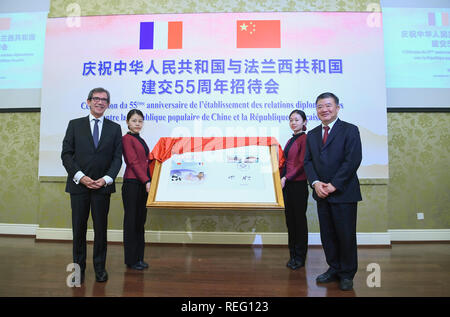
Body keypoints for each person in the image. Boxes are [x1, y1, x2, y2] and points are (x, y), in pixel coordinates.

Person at [61, 87, 122, 283]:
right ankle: (77, 271)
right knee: (78, 230)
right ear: (88, 102)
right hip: (79, 186)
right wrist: (80, 176)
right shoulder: (75, 125)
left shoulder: (115, 128)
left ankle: (99, 269)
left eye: (104, 100)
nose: (100, 102)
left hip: (102, 187)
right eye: (96, 99)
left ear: (108, 105)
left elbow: (117, 159)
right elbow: (66, 154)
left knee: (101, 230)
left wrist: (106, 179)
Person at [304, 92, 362, 291]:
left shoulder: (350, 130)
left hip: (343, 192)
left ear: (337, 108)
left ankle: (347, 273)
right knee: (327, 234)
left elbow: (352, 160)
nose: (324, 109)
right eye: (320, 106)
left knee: (345, 234)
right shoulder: (311, 134)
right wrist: (316, 183)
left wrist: (334, 184)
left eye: (328, 105)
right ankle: (334, 268)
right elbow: (308, 162)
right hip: (321, 193)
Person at [121, 109, 151, 270]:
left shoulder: (140, 139)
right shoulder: (126, 139)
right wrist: (146, 180)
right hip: (132, 184)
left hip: (142, 184)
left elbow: (145, 162)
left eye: (140, 121)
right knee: (131, 222)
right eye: (134, 120)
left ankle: (139, 258)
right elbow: (133, 162)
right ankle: (131, 260)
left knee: (140, 222)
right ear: (127, 122)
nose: (137, 124)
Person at [280, 109, 309, 270]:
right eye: (291, 120)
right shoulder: (292, 139)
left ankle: (300, 257)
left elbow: (301, 164)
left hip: (297, 185)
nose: (293, 122)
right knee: (290, 222)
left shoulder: (305, 139)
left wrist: (286, 178)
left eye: (297, 120)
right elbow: (286, 162)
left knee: (299, 222)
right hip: (288, 185)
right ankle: (293, 255)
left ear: (304, 122)